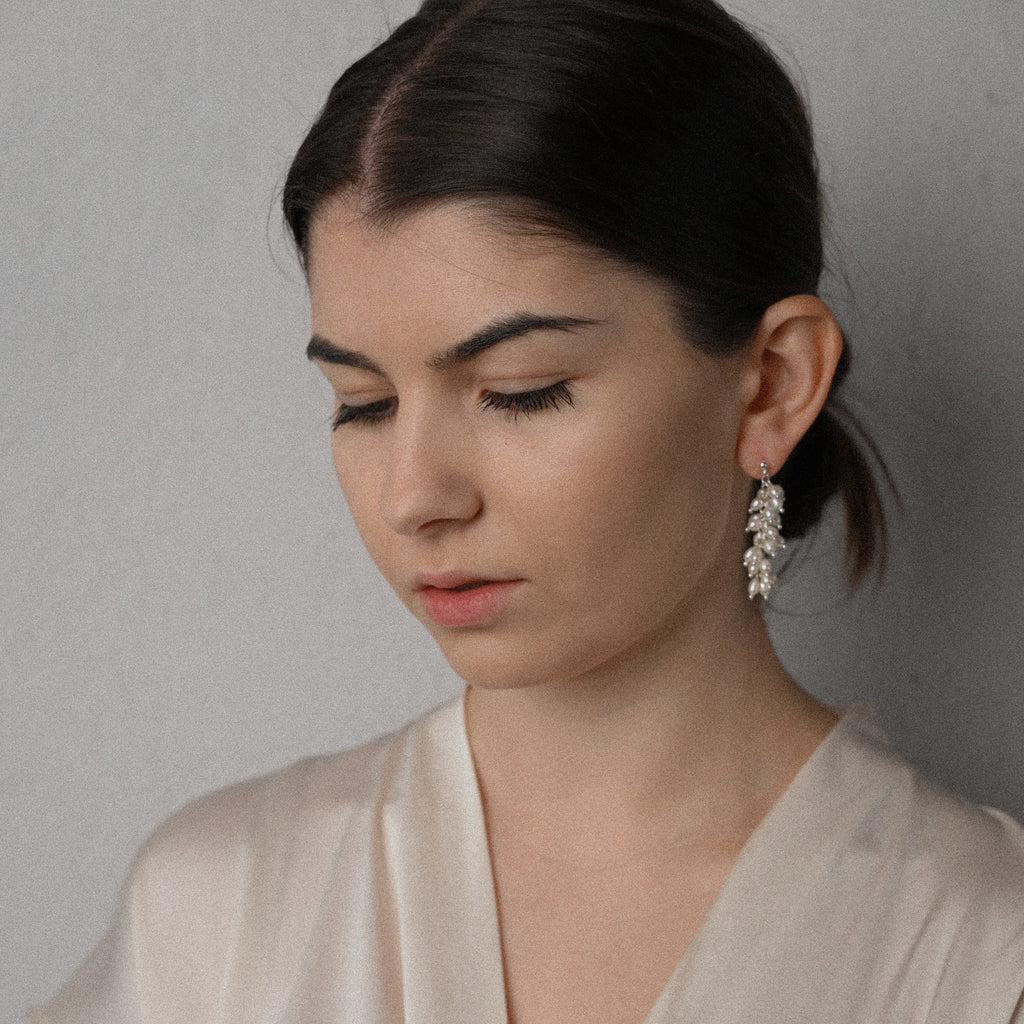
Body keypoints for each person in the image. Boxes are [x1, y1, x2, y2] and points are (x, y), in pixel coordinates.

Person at [31, 0, 1024, 1021]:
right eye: (362, 403)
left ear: (772, 381)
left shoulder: (981, 954)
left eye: (521, 389)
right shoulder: (216, 912)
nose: (413, 496)